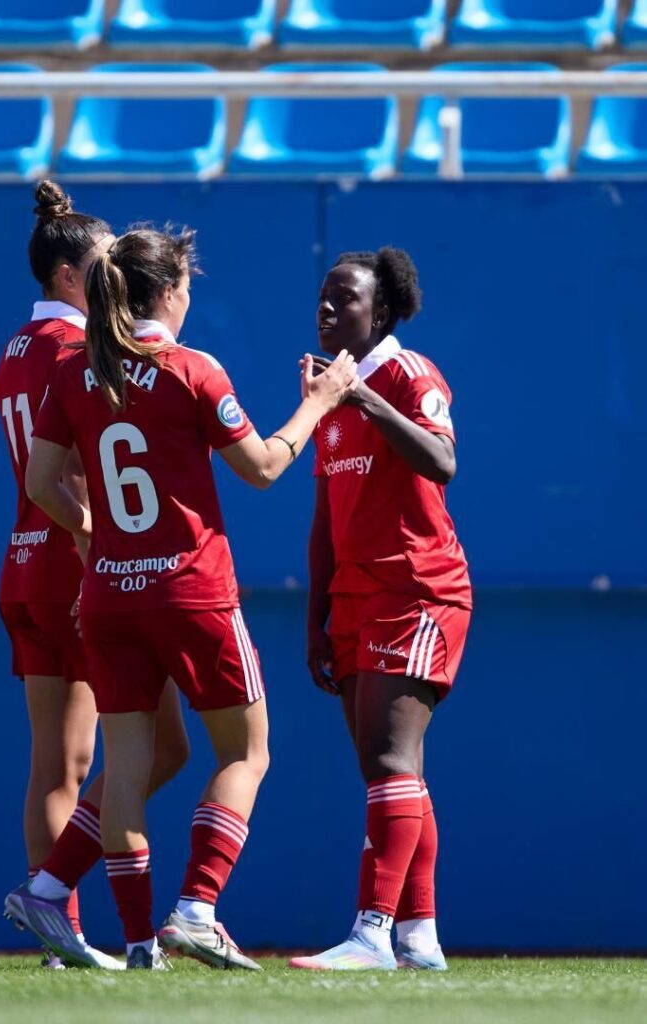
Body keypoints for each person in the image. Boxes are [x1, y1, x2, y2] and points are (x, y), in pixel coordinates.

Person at [18, 225, 357, 970]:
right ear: (169, 292)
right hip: (190, 591)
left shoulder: (74, 369)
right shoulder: (189, 368)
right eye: (187, 289)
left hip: (109, 594)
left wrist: (96, 530)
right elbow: (264, 467)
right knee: (245, 751)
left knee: (128, 767)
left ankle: (138, 942)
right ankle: (197, 907)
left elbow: (42, 484)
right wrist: (321, 403)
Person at [0, 183, 190, 969]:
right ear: (74, 275)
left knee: (56, 762)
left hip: (19, 560)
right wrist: (91, 540)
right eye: (105, 263)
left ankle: (57, 924)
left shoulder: (14, 347)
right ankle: (66, 915)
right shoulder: (77, 355)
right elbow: (71, 470)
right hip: (75, 563)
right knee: (152, 749)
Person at [289, 249, 471, 973]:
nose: (327, 308)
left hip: (418, 591)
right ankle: (418, 937)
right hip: (354, 602)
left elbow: (441, 461)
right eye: (322, 297)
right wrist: (315, 618)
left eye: (345, 298)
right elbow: (324, 518)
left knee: (391, 760)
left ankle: (370, 933)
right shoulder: (328, 398)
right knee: (388, 772)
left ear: (383, 312)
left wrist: (362, 398)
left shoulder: (408, 374)